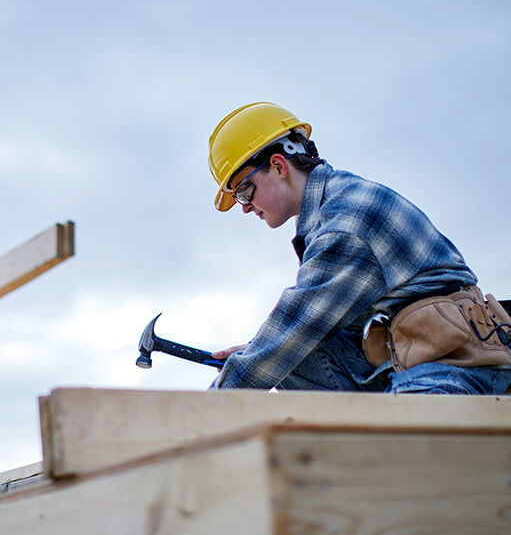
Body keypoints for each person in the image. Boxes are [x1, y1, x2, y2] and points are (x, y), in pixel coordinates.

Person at [208, 102, 511, 395]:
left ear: (278, 165)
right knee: (294, 359)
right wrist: (257, 352)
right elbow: (307, 333)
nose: (245, 208)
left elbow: (300, 324)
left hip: (461, 365)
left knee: (290, 352)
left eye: (244, 192)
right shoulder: (331, 208)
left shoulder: (345, 222)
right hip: (413, 356)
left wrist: (212, 401)